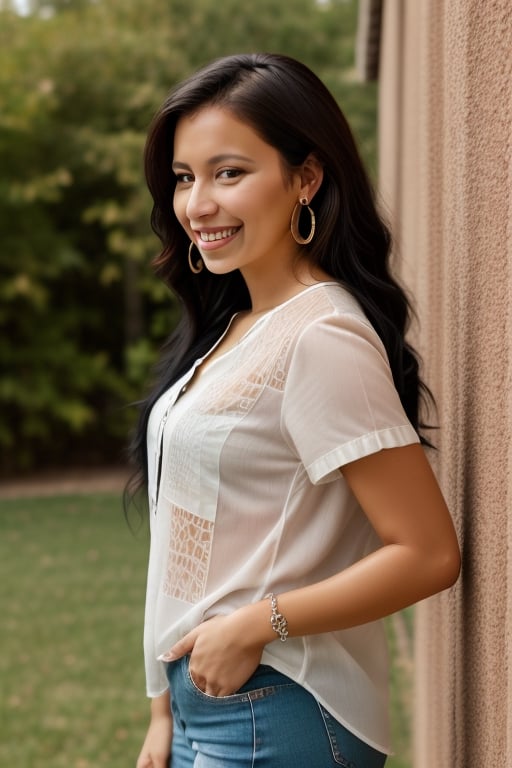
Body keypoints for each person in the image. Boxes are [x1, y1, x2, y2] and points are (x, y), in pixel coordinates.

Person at [131, 53, 460, 768]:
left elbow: (428, 553)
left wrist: (256, 624)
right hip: (203, 708)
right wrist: (164, 712)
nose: (197, 205)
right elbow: (190, 537)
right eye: (185, 178)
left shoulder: (321, 337)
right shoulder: (235, 327)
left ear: (305, 177)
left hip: (277, 708)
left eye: (230, 173)